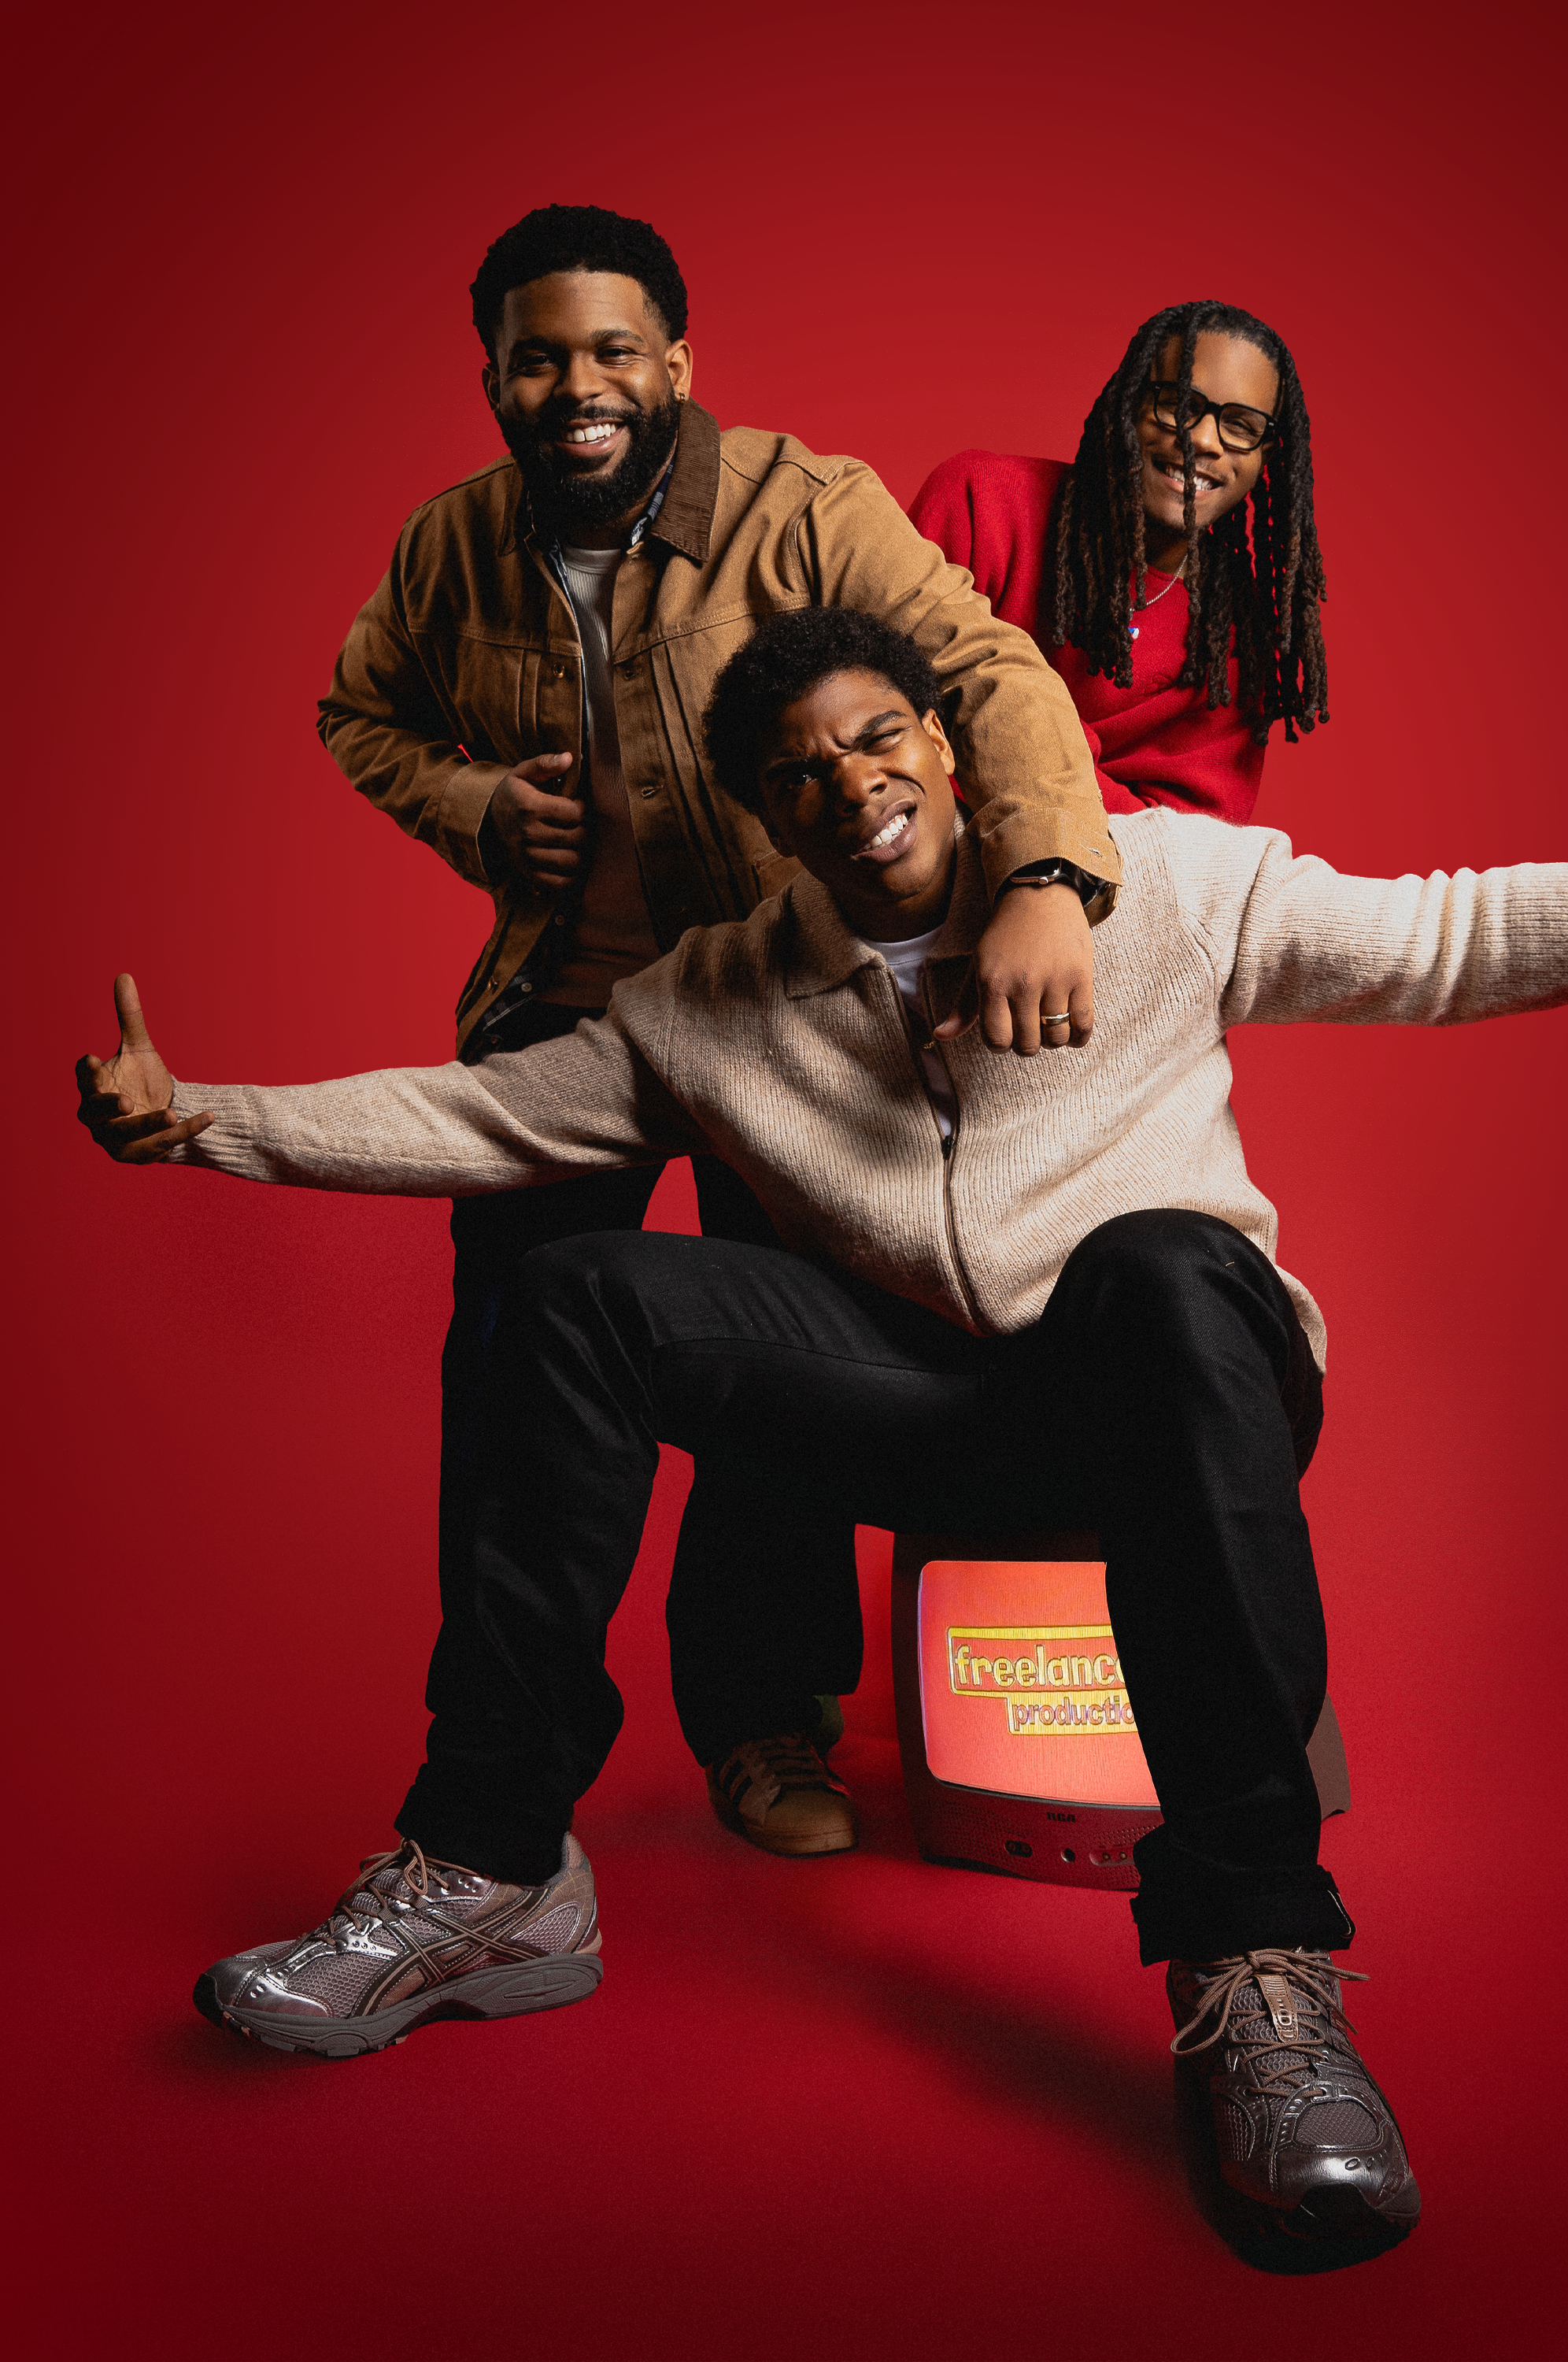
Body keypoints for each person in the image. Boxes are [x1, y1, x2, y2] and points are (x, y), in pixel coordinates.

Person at [76, 608, 1568, 2255]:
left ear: (945, 736)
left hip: (1171, 1385)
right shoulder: (716, 994)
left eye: (879, 736)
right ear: (770, 813)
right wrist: (205, 1119)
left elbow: (1447, 935)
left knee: (1162, 1265)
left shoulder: (1155, 881)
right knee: (577, 1286)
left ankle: (1261, 1976)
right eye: (804, 771)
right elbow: (485, 1115)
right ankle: (492, 1865)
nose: (854, 783)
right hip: (924, 1409)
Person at [320, 204, 1124, 1860]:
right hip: (570, 1018)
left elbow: (985, 663)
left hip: (783, 1018)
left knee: (783, 1387)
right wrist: (471, 804)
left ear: (676, 361)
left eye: (613, 350)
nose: (578, 385)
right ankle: (498, 1791)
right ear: (492, 378)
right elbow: (359, 709)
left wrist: (1042, 867)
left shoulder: (804, 507)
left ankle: (765, 1727)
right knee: (514, 1391)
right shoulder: (451, 548)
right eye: (538, 358)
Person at [908, 298, 1326, 824]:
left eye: (1241, 426)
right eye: (1177, 404)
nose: (1201, 440)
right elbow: (886, 707)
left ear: (1268, 458)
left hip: (1091, 887)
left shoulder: (1238, 639)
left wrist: (1027, 729)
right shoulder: (981, 501)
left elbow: (1182, 856)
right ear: (1125, 404)